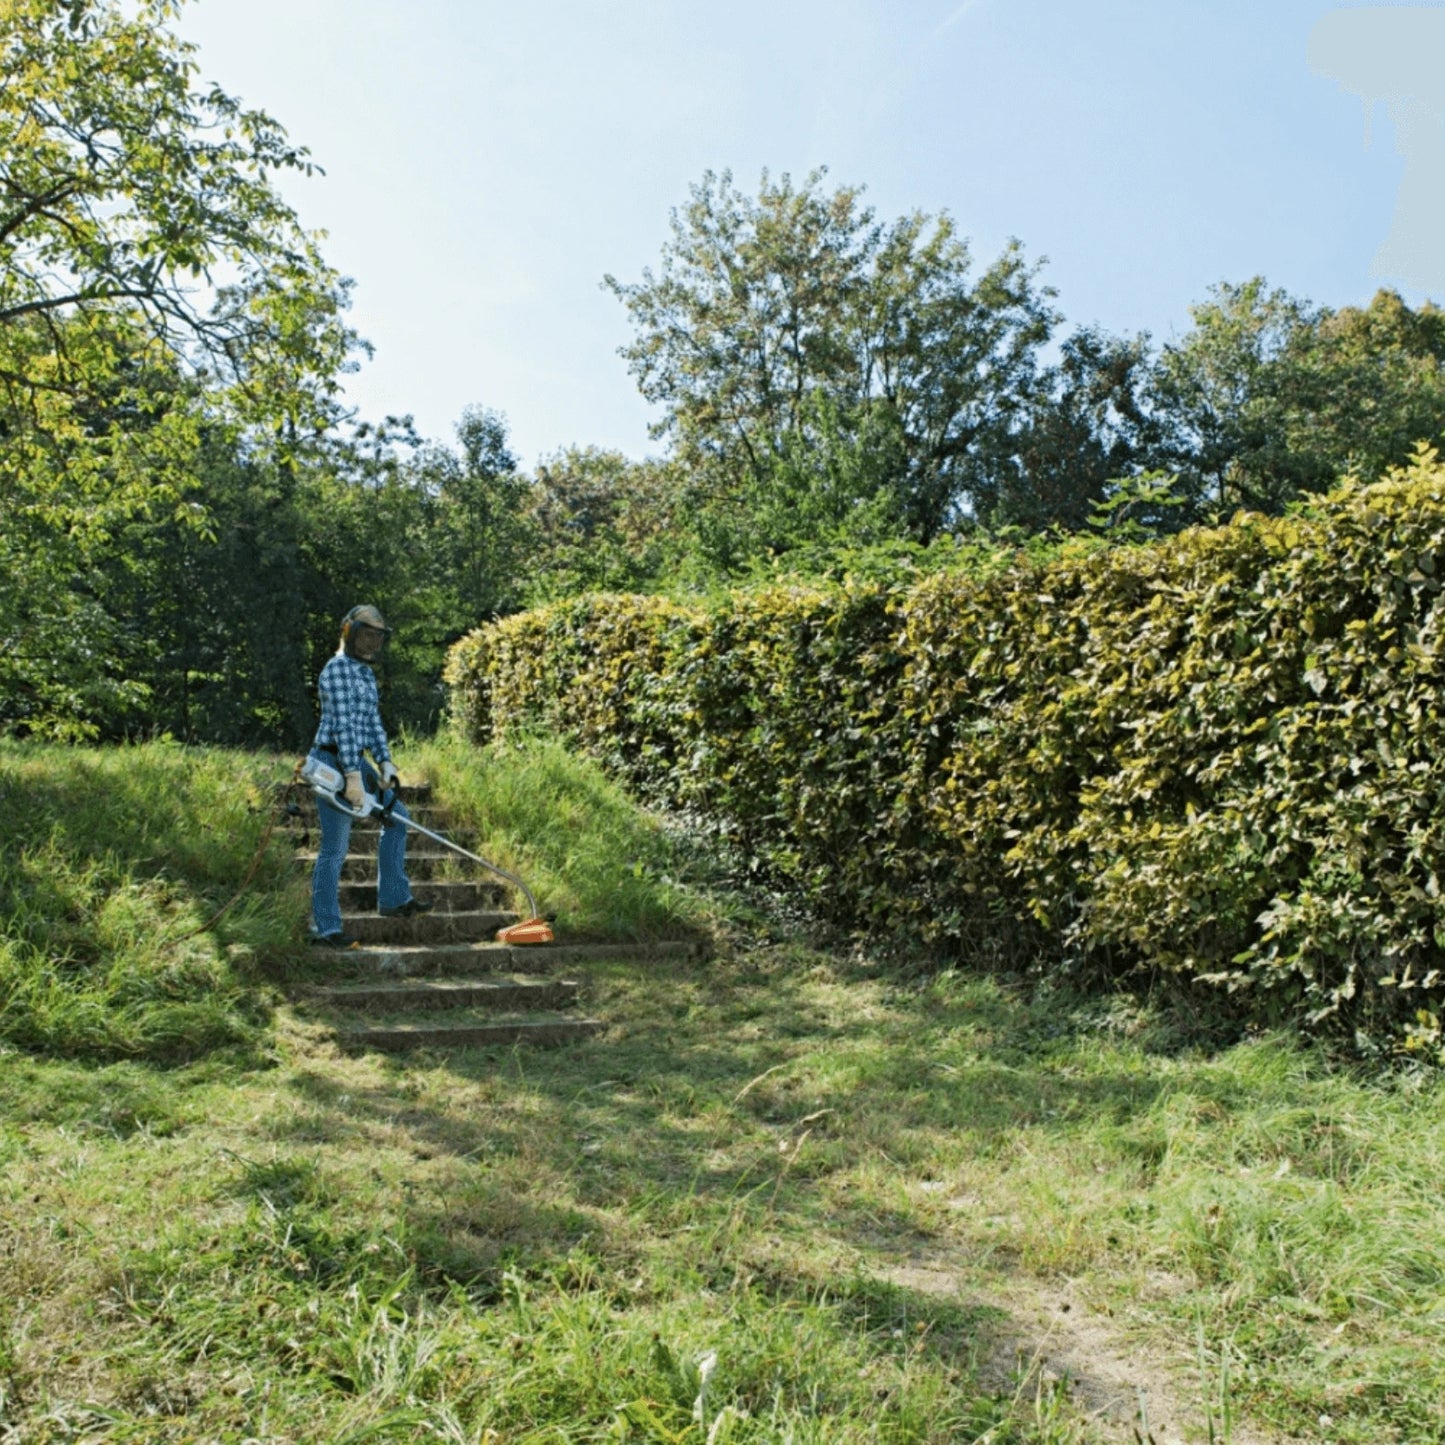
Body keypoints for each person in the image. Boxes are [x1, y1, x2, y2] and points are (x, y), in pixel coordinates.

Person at [306, 603, 433, 946]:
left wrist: (385, 762)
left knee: (398, 818)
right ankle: (326, 927)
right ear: (349, 633)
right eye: (366, 635)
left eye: (377, 637)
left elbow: (371, 722)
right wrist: (351, 776)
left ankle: (393, 898)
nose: (371, 643)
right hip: (333, 761)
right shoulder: (336, 671)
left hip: (356, 760)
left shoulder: (365, 674)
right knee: (335, 847)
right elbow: (346, 728)